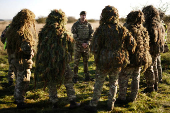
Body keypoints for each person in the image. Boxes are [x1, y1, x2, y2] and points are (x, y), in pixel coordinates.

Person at [84, 5, 136, 112]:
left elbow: (94, 48)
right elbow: (132, 45)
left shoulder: (101, 30)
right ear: (116, 16)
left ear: (103, 15)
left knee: (99, 82)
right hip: (118, 60)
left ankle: (93, 105)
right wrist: (122, 49)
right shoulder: (122, 29)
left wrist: (98, 54)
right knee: (114, 82)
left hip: (103, 60)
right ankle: (110, 105)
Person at [35, 9, 80, 109]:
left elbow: (40, 48)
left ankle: (54, 102)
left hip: (49, 62)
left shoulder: (43, 32)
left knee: (52, 81)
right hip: (62, 62)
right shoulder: (64, 33)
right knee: (68, 80)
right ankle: (72, 101)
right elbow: (71, 47)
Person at [117, 10, 152, 104]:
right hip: (141, 58)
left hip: (130, 58)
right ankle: (133, 97)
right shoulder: (143, 29)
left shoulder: (127, 28)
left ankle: (122, 98)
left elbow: (123, 44)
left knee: (123, 77)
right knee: (136, 77)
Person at [4, 9, 36, 109]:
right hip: (22, 60)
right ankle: (20, 101)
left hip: (12, 58)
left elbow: (3, 39)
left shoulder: (10, 29)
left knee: (18, 79)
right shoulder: (23, 32)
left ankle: (16, 97)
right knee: (23, 81)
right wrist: (31, 52)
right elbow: (26, 48)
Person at [142, 5, 165, 92]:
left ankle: (150, 87)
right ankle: (155, 84)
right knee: (154, 66)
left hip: (151, 48)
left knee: (149, 67)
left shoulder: (150, 24)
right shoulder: (160, 24)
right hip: (158, 48)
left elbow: (151, 38)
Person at [71, 11, 94, 83]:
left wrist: (87, 43)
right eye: (82, 15)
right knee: (76, 63)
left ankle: (87, 77)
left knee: (86, 62)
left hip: (86, 47)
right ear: (80, 16)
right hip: (78, 47)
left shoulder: (89, 25)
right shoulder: (75, 25)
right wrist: (82, 43)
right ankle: (75, 77)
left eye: (85, 15)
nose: (83, 17)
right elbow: (74, 36)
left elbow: (91, 35)